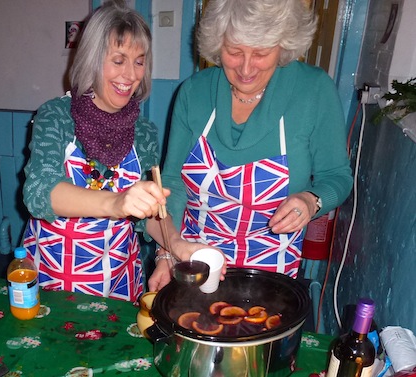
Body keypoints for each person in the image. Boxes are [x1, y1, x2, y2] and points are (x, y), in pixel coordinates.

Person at [147, 0, 353, 291]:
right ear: (218, 44)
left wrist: (311, 200)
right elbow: (171, 184)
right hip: (196, 262)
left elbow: (337, 176)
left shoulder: (313, 91)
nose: (245, 67)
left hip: (271, 274)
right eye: (234, 51)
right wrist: (167, 252)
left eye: (260, 53)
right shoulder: (193, 93)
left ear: (283, 45)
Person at [22, 0, 167, 302]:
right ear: (91, 59)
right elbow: (39, 194)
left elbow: (151, 215)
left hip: (121, 280)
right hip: (55, 278)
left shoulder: (144, 132)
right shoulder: (57, 117)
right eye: (118, 60)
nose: (130, 75)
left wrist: (175, 248)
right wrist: (117, 203)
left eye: (139, 61)